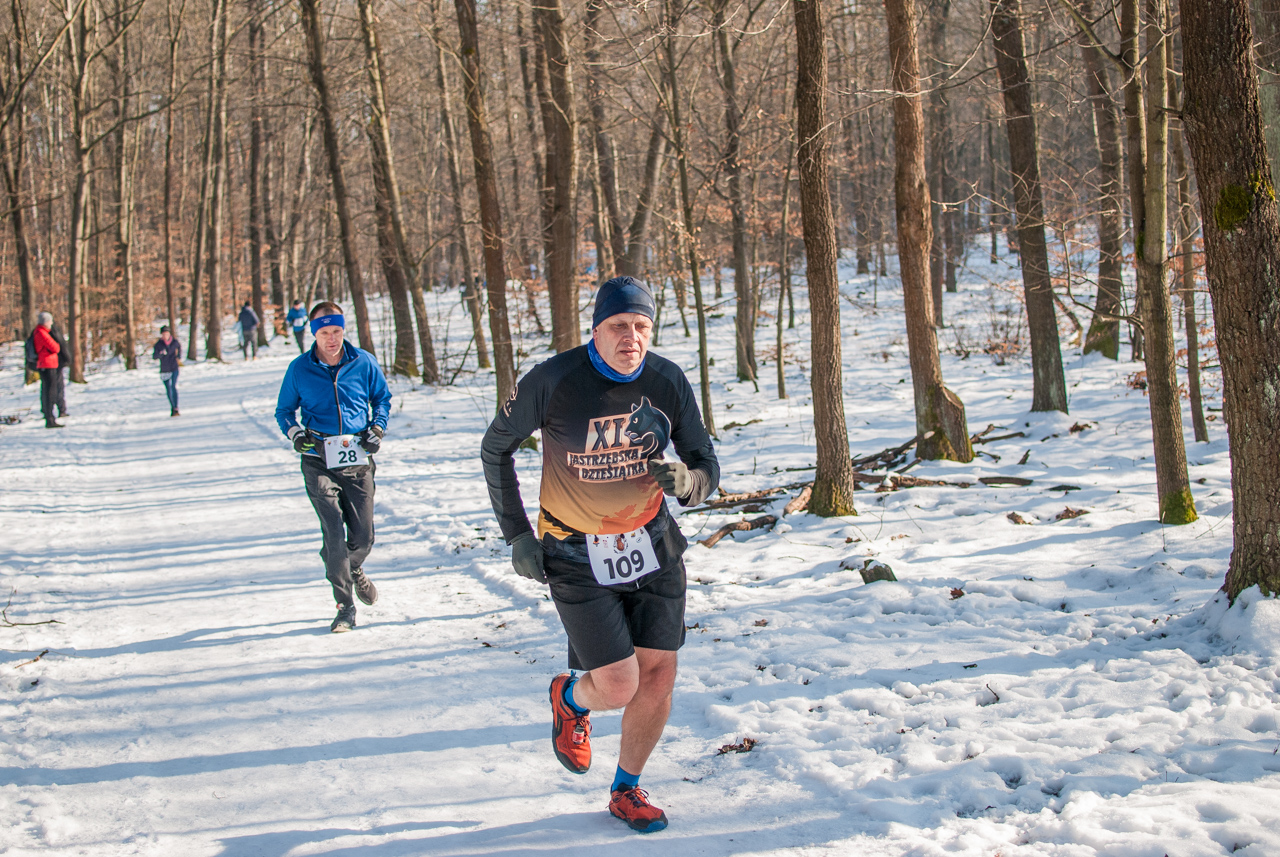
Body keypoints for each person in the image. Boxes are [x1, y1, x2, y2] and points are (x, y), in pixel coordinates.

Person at [481, 276, 719, 833]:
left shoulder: (667, 380)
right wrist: (517, 533)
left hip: (652, 543)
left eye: (641, 326)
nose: (631, 337)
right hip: (574, 549)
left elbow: (705, 464)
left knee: (657, 674)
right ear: (596, 329)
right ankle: (570, 697)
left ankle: (626, 789)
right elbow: (496, 449)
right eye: (619, 326)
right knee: (617, 684)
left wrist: (688, 482)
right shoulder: (553, 381)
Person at [275, 301, 391, 633]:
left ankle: (352, 568)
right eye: (324, 332)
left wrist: (377, 428)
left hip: (357, 458)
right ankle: (345, 606)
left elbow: (382, 399)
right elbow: (284, 411)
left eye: (337, 331)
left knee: (363, 538)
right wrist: (296, 434)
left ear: (344, 330)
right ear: (314, 333)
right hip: (317, 459)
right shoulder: (299, 369)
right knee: (334, 536)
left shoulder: (364, 362)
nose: (332, 339)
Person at [31, 312, 63, 429]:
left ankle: (49, 416)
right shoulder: (41, 333)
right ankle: (50, 418)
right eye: (50, 321)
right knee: (50, 392)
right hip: (47, 364)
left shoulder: (39, 332)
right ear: (45, 322)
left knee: (48, 390)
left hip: (46, 364)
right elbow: (55, 347)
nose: (51, 323)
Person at [152, 326, 182, 416]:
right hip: (164, 370)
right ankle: (172, 407)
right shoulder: (158, 345)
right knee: (168, 389)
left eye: (167, 334)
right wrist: (161, 354)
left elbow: (179, 347)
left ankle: (176, 407)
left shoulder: (174, 342)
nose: (165, 336)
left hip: (174, 367)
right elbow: (154, 356)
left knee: (173, 386)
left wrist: (179, 356)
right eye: (163, 334)